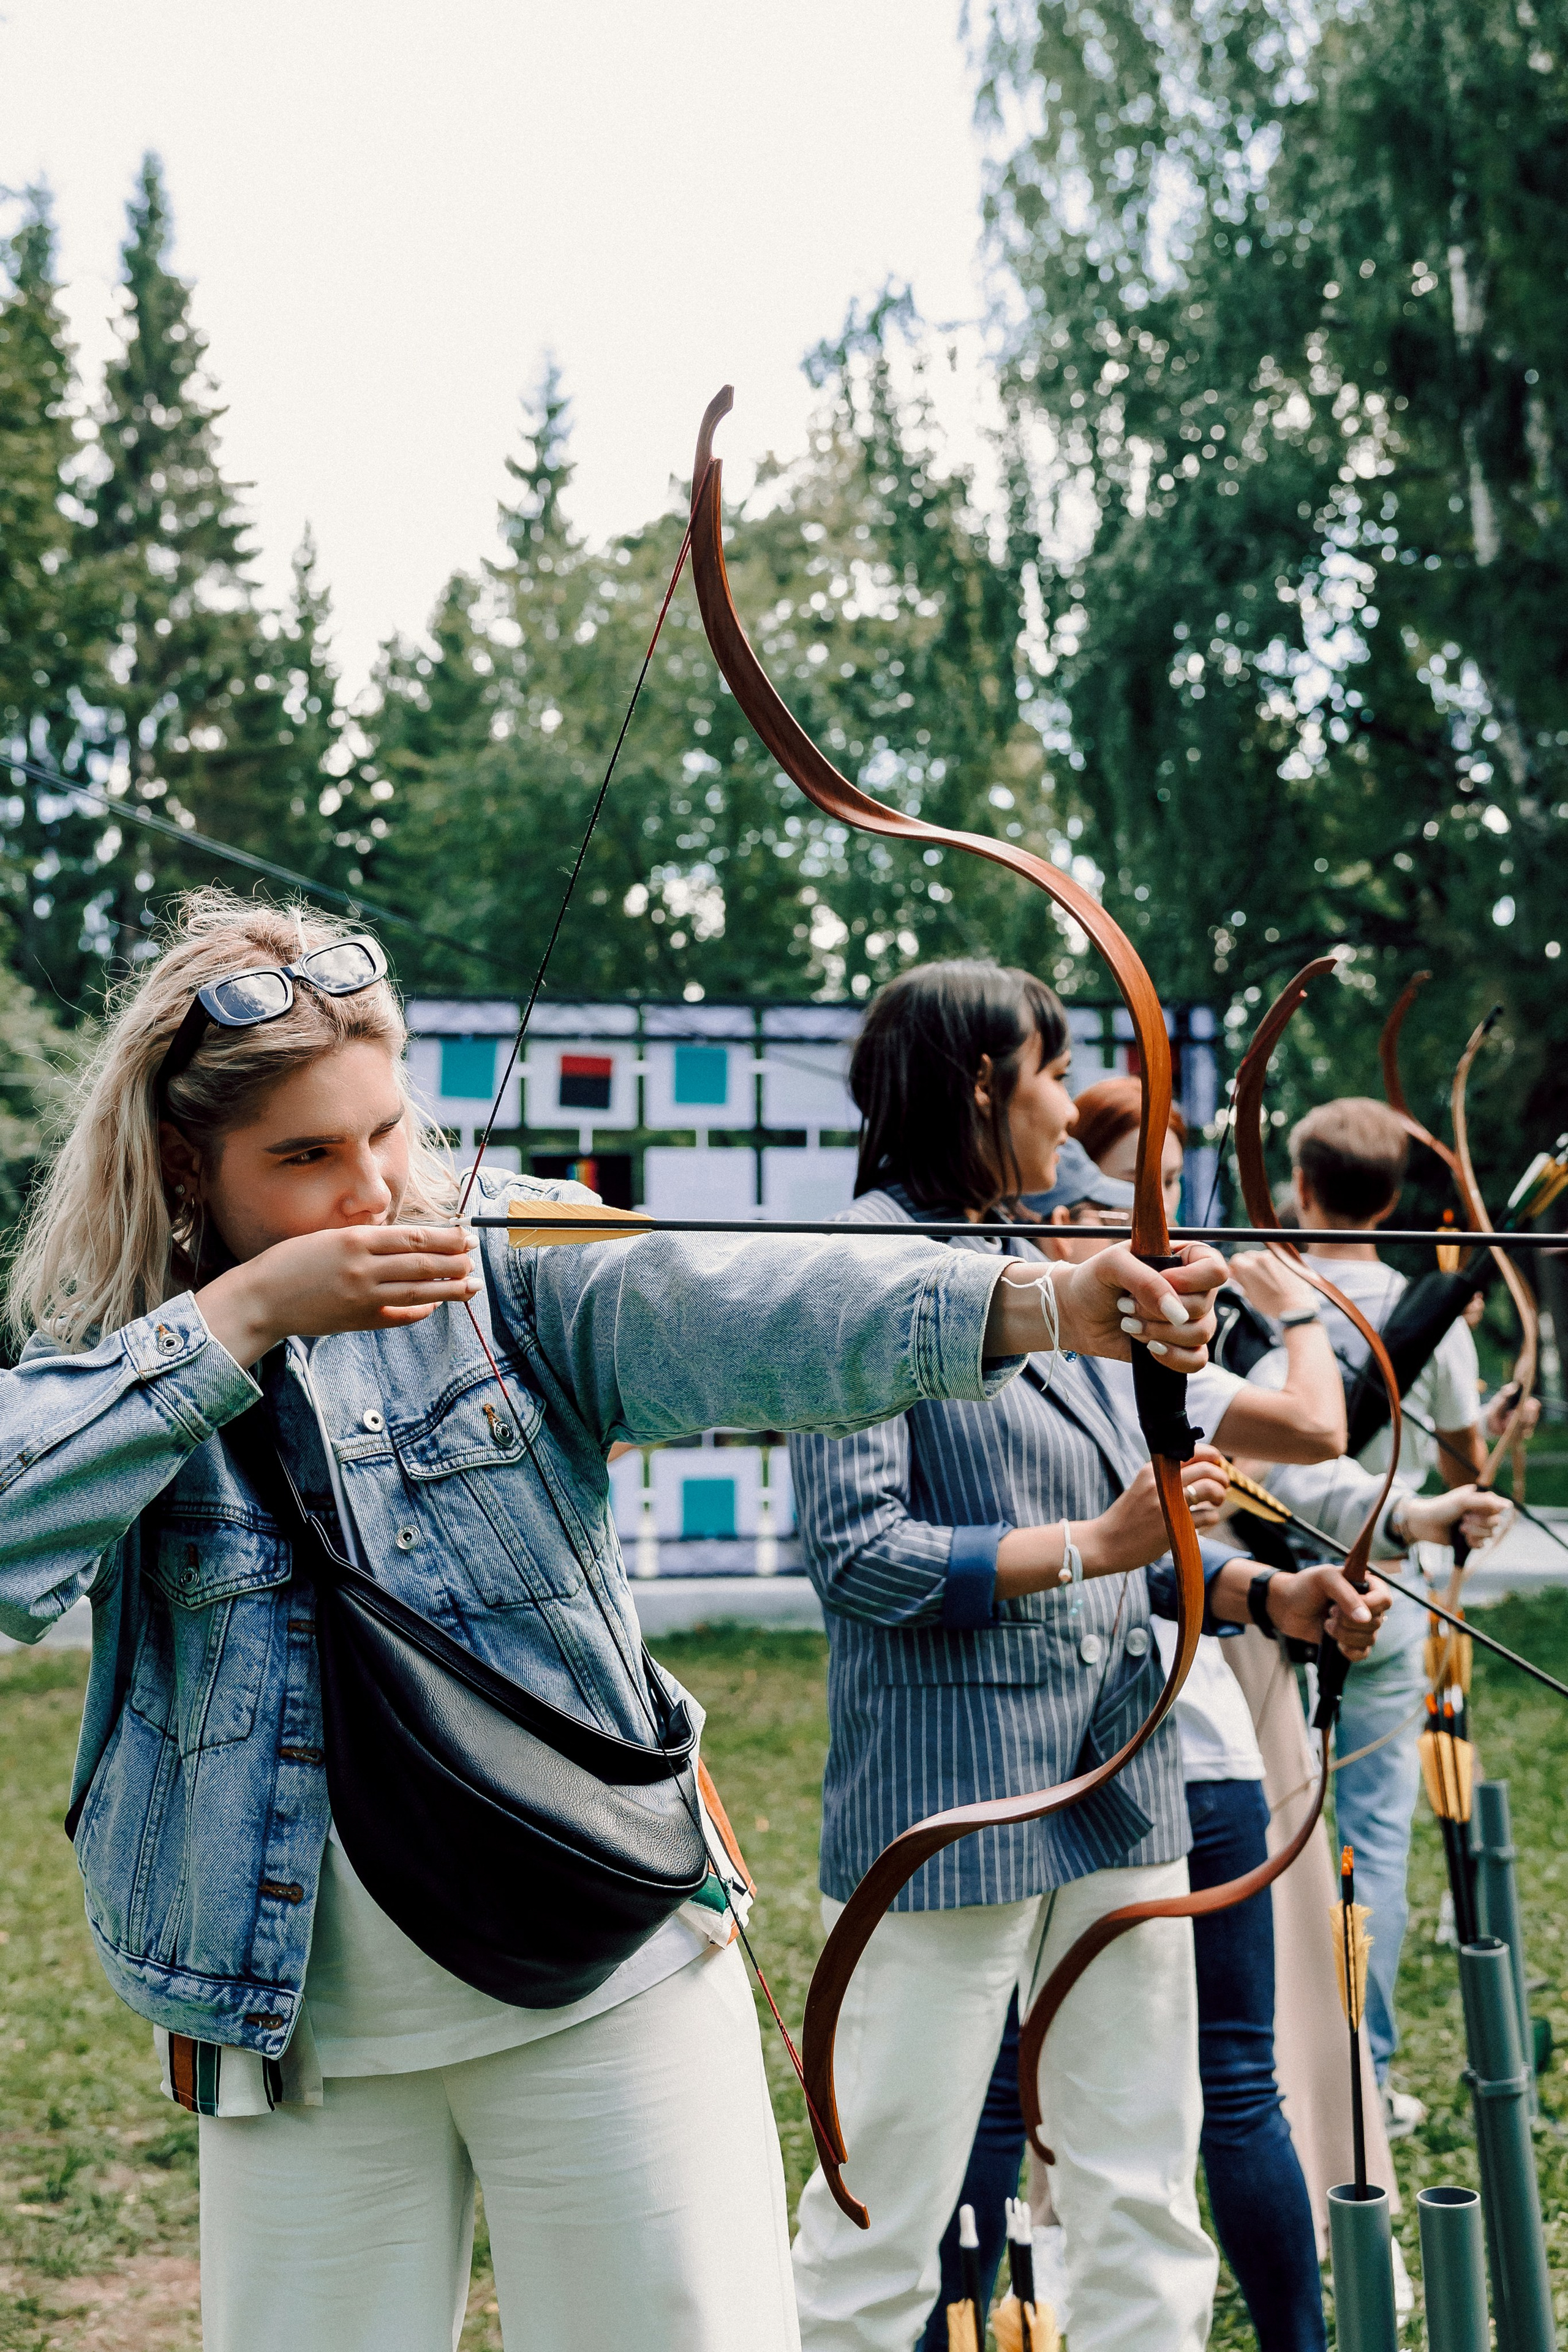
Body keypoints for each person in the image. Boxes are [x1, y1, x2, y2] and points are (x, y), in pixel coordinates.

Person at [0, 894, 1229, 2352]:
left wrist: (1043, 1300)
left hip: (603, 1966)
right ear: (187, 1168)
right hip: (291, 2018)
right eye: (307, 1159)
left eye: (388, 1131)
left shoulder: (500, 1255)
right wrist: (248, 1316)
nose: (375, 1187)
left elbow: (737, 1303)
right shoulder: (129, 1355)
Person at [786, 961, 1384, 2352]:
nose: (1066, 1113)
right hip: (950, 1802)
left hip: (1117, 1772)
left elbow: (1134, 1518)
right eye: (1051, 1074)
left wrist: (1261, 1595)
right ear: (984, 1083)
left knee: (1136, 2180)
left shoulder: (1032, 1256)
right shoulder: (858, 1263)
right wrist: (1100, 1550)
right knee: (886, 2202)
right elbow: (861, 1555)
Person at [1250, 1098, 1532, 2122]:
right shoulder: (1428, 1311)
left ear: (1304, 1185)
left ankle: (1282, 2072)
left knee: (1285, 1824)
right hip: (1391, 1594)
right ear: (1394, 1199)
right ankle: (1360, 2075)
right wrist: (1490, 1426)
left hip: (1279, 1594)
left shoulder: (1274, 1304)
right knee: (1374, 1831)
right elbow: (1462, 1476)